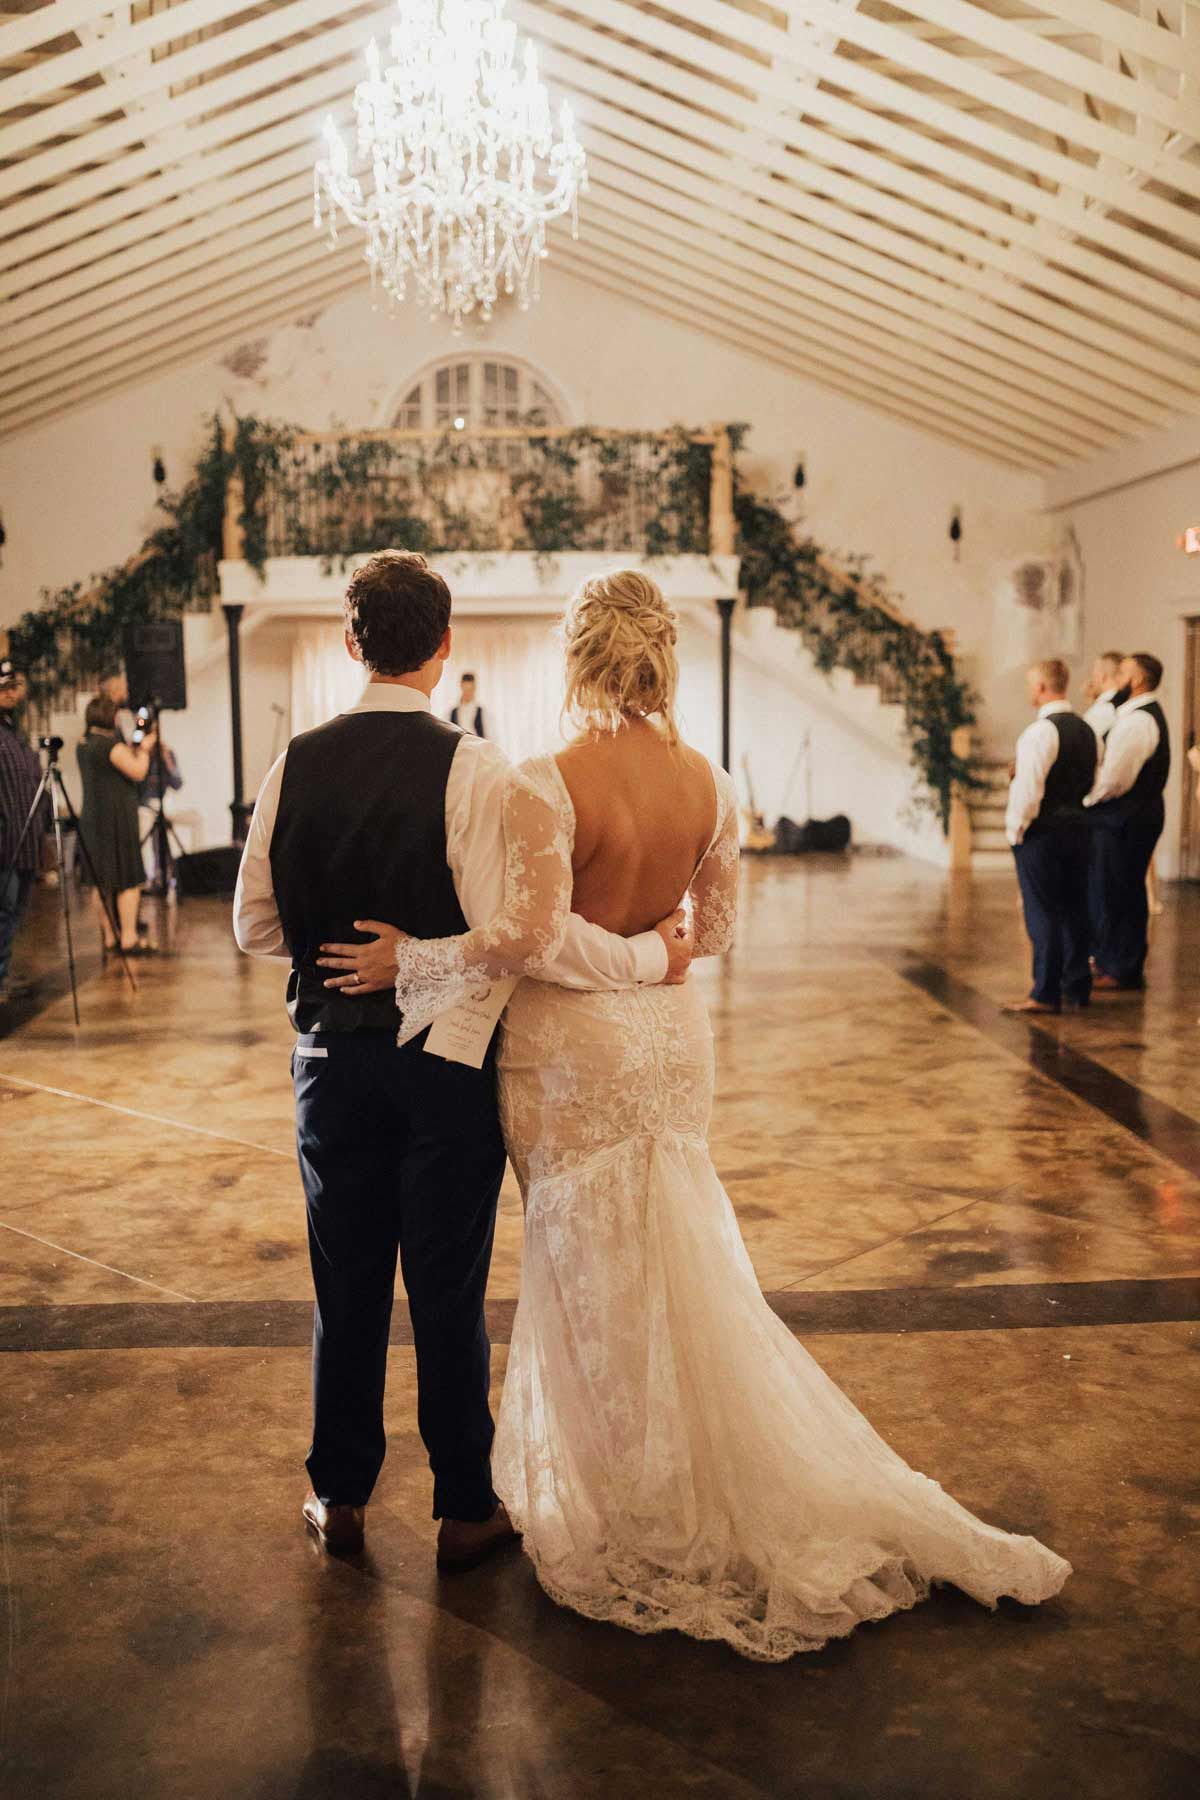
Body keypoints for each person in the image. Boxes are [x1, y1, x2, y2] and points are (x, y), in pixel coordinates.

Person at [322, 568, 1071, 1661]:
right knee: (674, 1258)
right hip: (669, 1046)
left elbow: (526, 937)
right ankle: (675, 1481)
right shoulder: (711, 786)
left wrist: (415, 961)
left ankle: (637, 1505)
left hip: (572, 1051)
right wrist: (649, 954)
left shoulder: (542, 781)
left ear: (579, 659)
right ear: (661, 659)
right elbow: (707, 934)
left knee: (590, 1273)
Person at [231, 551, 690, 1566]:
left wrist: (338, 964)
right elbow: (505, 936)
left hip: (328, 1061)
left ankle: (339, 1495)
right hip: (444, 1065)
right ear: (446, 648)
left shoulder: (292, 763)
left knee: (342, 1277)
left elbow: (254, 926)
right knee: (448, 1286)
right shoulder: (479, 770)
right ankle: (465, 1505)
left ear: (353, 645)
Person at [1002, 659, 1099, 1016]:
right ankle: (1077, 985)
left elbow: (1028, 790)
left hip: (1044, 830)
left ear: (1042, 687)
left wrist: (1016, 830)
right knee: (1076, 906)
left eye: (1030, 685)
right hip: (1080, 824)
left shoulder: (1040, 732)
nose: (1029, 691)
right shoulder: (1087, 730)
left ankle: (1044, 992)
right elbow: (1095, 779)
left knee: (1042, 911)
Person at [1085, 652, 1170, 992]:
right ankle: (1112, 961)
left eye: (1121, 673)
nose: (1114, 679)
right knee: (1115, 888)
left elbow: (1115, 779)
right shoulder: (1130, 715)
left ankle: (1121, 968)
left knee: (1119, 891)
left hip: (1126, 817)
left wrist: (1084, 799)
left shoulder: (1138, 721)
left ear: (1136, 681)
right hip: (1127, 815)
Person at [76, 693, 157, 956]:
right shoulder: (110, 746)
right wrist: (144, 749)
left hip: (92, 820)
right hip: (117, 821)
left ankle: (110, 936)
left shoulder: (84, 744)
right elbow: (138, 771)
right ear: (110, 717)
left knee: (102, 882)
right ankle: (129, 938)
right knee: (128, 879)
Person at [0, 661, 49, 1002]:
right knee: (3, 916)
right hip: (3, 844)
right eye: (5, 687)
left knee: (14, 916)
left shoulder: (14, 734)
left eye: (14, 686)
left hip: (26, 840)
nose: (12, 692)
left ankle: (2, 975)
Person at [1081, 650, 1127, 741]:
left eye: (1094, 675)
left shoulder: (1103, 709)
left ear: (1103, 676)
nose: (1092, 680)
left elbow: (1086, 742)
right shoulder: (1126, 703)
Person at [449, 671, 486, 738]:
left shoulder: (482, 711)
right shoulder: (453, 712)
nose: (467, 693)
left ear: (474, 688)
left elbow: (490, 737)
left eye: (470, 689)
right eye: (466, 689)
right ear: (461, 686)